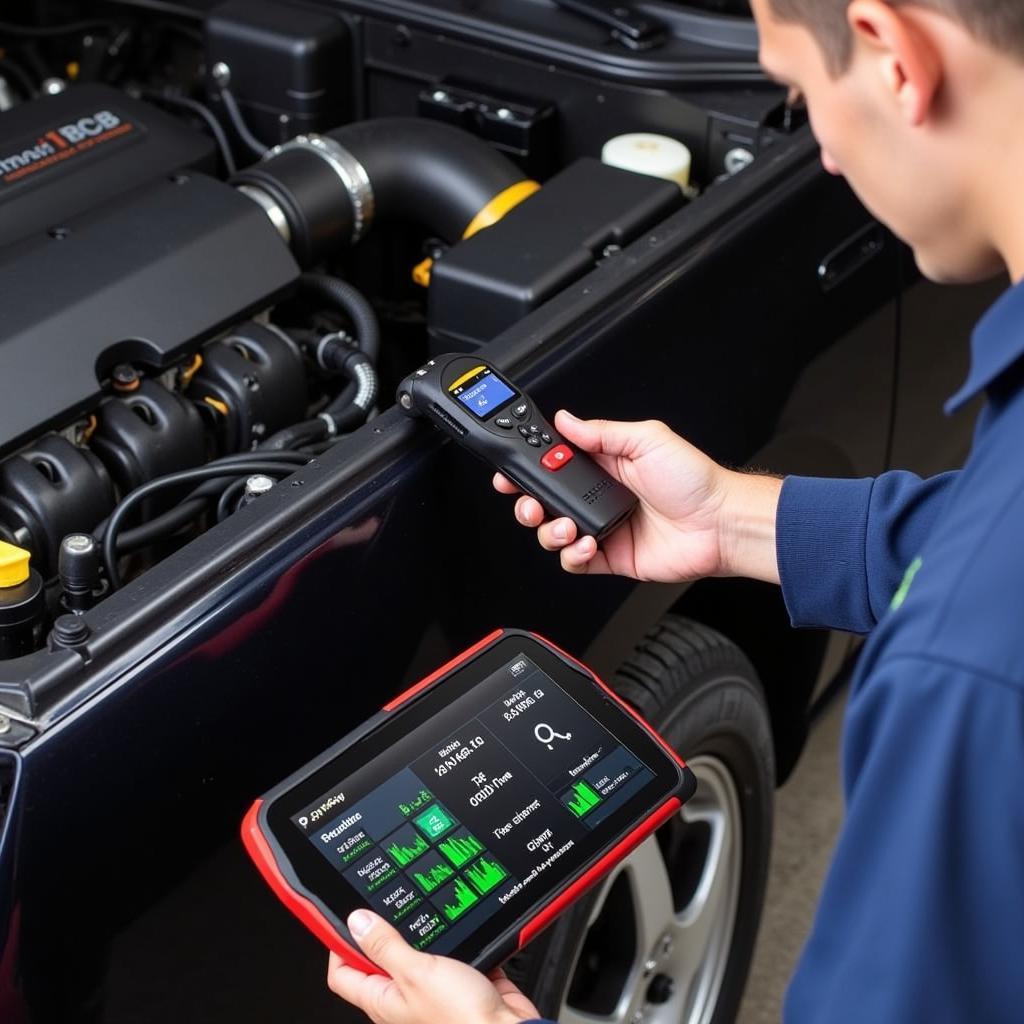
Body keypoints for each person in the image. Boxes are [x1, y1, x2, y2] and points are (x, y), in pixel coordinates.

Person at [326, 0, 1024, 1019]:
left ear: (891, 53)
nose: (821, 152)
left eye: (797, 92)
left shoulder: (961, 675)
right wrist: (735, 522)